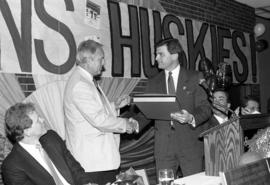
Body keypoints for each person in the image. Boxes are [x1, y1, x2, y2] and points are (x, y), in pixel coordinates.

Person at [63, 39, 138, 184]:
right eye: (101, 59)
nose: (103, 64)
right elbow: (98, 120)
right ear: (88, 60)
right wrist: (126, 124)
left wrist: (115, 105)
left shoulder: (86, 80)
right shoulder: (80, 84)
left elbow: (93, 111)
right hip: (93, 162)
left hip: (98, 160)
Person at [135, 38, 211, 178]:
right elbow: (147, 113)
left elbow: (206, 109)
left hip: (190, 146)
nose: (156, 58)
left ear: (175, 55)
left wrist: (191, 117)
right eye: (156, 54)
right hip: (163, 148)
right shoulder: (153, 82)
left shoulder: (195, 77)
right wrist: (134, 123)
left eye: (161, 54)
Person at [2, 102, 94, 185]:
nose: (43, 120)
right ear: (27, 132)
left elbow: (75, 168)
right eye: (38, 120)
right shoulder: (12, 166)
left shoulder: (52, 137)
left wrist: (87, 183)